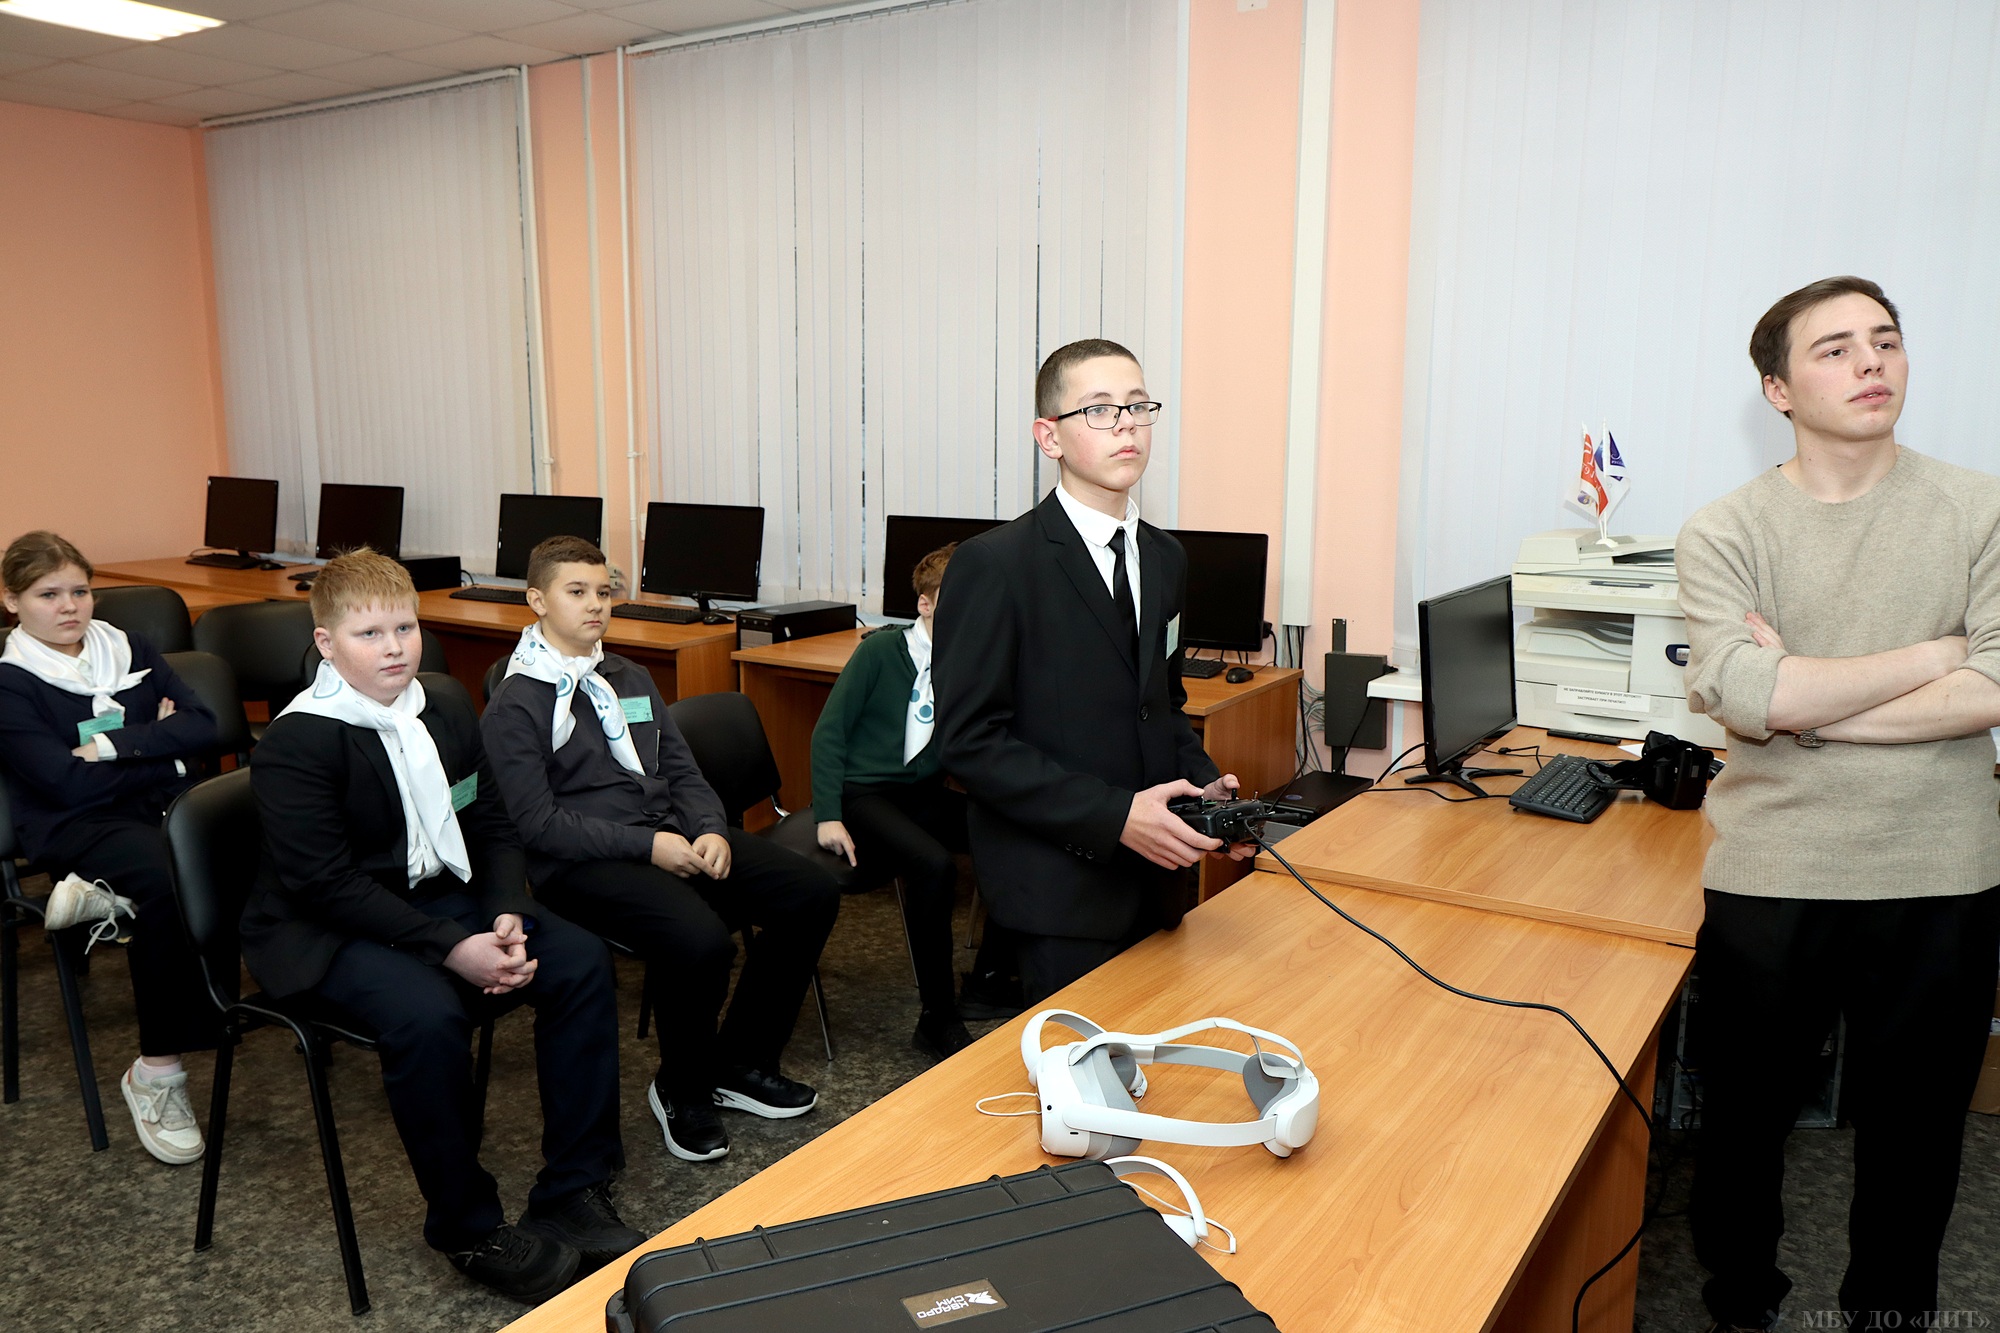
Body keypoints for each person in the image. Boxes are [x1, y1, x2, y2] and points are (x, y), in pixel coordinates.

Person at [1676, 276, 2000, 1333]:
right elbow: (1744, 690)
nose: (1870, 362)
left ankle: (1889, 1311)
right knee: (1742, 1122)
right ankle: (1739, 1304)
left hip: (1939, 865)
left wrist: (1803, 703)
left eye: (1885, 340)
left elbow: (1993, 689)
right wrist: (1931, 656)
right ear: (1776, 389)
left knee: (1917, 1131)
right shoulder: (1725, 530)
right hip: (1776, 867)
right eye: (1834, 348)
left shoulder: (1979, 508)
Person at [240, 548, 640, 1305]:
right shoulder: (298, 742)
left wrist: (505, 909)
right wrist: (454, 947)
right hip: (325, 926)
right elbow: (326, 884)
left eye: (405, 628)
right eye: (368, 634)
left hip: (436, 897)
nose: (393, 648)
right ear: (326, 643)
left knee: (580, 959)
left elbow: (491, 822)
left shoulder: (445, 707)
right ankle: (466, 1226)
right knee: (426, 1015)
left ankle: (574, 1186)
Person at [480, 536, 839, 1165]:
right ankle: (682, 1087)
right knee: (700, 942)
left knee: (810, 892)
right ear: (537, 601)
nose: (595, 605)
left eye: (603, 592)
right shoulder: (517, 701)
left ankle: (737, 1062)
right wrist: (649, 846)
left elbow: (681, 770)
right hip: (581, 864)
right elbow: (538, 825)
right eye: (576, 592)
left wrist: (710, 828)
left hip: (667, 835)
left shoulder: (627, 675)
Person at [933, 339, 1250, 1005]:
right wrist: (1114, 816)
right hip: (1060, 887)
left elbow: (1160, 704)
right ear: (1049, 436)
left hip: (1156, 877)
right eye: (1100, 410)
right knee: (1084, 1063)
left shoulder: (1165, 557)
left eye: (1138, 406)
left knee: (1159, 1048)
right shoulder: (996, 565)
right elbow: (969, 742)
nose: (1126, 424)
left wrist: (1207, 792)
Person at [0, 530, 222, 1165]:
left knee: (243, 848)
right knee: (174, 879)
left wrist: (109, 747)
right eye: (48, 594)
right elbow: (63, 784)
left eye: (80, 590)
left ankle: (105, 901)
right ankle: (157, 1072)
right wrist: (161, 749)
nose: (69, 606)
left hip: (149, 806)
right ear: (12, 601)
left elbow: (204, 726)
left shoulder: (129, 647)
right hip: (73, 824)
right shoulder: (11, 682)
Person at [810, 542, 1019, 1060]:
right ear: (925, 604)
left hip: (921, 794)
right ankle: (936, 1018)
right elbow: (829, 733)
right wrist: (828, 815)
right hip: (865, 794)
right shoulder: (880, 652)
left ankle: (990, 980)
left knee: (1013, 835)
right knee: (934, 866)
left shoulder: (967, 661)